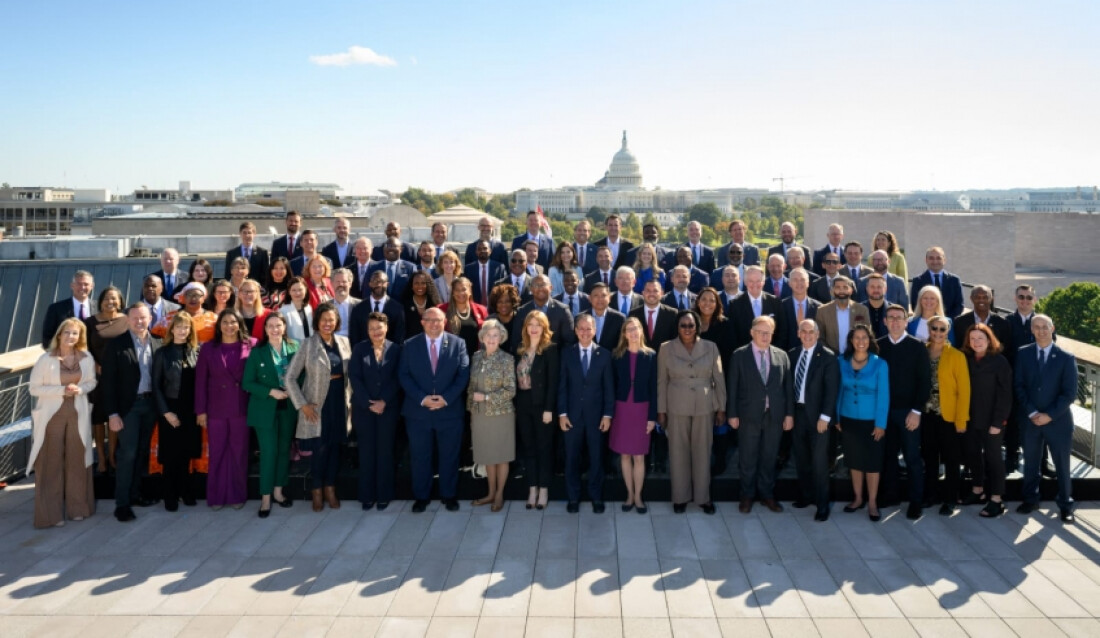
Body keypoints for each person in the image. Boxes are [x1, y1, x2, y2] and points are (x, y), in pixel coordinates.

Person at [399, 307, 471, 513]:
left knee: (450, 455)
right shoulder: (410, 345)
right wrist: (423, 399)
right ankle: (422, 496)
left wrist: (446, 399)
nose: (433, 323)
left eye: (438, 320)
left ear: (444, 322)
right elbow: (404, 375)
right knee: (420, 455)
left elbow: (463, 374)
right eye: (429, 320)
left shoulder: (458, 344)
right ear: (422, 322)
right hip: (418, 412)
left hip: (449, 411)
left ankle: (449, 495)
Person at [28, 319, 97, 528]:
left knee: (78, 460)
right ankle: (51, 514)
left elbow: (91, 382)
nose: (70, 337)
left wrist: (81, 389)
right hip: (52, 415)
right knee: (50, 462)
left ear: (80, 336)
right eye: (67, 332)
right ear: (59, 334)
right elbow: (34, 388)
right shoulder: (45, 359)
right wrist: (61, 391)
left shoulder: (86, 357)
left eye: (75, 333)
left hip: (77, 412)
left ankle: (79, 508)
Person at [659, 309, 726, 514]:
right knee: (678, 451)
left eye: (691, 325)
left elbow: (719, 378)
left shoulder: (711, 347)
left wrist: (721, 407)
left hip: (704, 405)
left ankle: (703, 498)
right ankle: (680, 497)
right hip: (676, 404)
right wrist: (661, 410)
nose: (687, 329)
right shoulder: (666, 348)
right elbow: (662, 381)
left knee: (702, 451)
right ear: (677, 327)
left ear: (697, 327)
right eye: (683, 325)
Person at [286, 303, 352, 511]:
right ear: (317, 322)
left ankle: (330, 488)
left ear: (337, 322)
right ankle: (316, 490)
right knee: (319, 449)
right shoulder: (307, 344)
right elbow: (289, 378)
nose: (328, 323)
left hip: (339, 401)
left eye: (331, 320)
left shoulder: (344, 342)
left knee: (334, 447)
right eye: (324, 319)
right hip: (316, 405)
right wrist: (302, 404)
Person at [727, 316, 793, 514]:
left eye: (769, 332)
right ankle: (746, 496)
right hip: (748, 415)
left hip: (775, 415)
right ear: (752, 332)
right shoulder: (739, 355)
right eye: (761, 332)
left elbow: (788, 388)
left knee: (769, 457)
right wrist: (732, 414)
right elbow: (733, 386)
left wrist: (789, 415)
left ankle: (766, 495)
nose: (765, 336)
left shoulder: (782, 356)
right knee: (747, 457)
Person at [1015, 314, 1078, 523]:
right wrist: (1033, 413)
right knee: (1031, 462)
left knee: (1061, 465)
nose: (1041, 331)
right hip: (1031, 420)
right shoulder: (1023, 354)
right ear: (1032, 330)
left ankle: (1066, 505)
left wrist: (1049, 415)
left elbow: (1069, 393)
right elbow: (1019, 386)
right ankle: (1030, 499)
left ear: (1052, 328)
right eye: (1037, 327)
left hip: (1058, 421)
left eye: (1045, 327)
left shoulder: (1066, 357)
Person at [101, 303, 160, 522]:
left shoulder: (157, 342)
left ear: (150, 318)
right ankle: (122, 504)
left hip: (150, 406)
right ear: (127, 319)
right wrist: (112, 414)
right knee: (128, 454)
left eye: (143, 317)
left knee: (141, 453)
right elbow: (107, 383)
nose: (139, 321)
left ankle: (135, 495)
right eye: (134, 318)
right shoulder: (117, 345)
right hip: (128, 408)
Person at [876, 304, 932, 520]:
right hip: (884, 413)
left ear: (906, 321)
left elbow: (924, 382)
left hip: (909, 412)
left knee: (912, 458)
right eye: (891, 318)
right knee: (888, 456)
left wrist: (916, 411)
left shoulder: (917, 346)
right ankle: (890, 495)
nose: (895, 321)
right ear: (885, 321)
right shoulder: (878, 346)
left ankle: (915, 501)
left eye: (899, 318)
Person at [195, 309, 254, 510]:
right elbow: (200, 381)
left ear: (239, 324)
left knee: (239, 452)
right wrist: (200, 411)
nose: (229, 326)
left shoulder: (251, 344)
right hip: (215, 409)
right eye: (225, 322)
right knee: (218, 452)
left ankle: (238, 495)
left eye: (233, 322)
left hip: (242, 407)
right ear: (219, 326)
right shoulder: (209, 348)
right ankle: (217, 496)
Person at [243, 313, 299, 518]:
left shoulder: (295, 349)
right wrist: (270, 391)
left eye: (279, 325)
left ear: (284, 327)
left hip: (288, 407)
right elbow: (247, 382)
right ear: (265, 330)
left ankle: (279, 492)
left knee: (284, 450)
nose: (275, 329)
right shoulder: (257, 353)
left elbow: (302, 376)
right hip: (265, 408)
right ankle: (265, 498)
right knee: (269, 452)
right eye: (271, 326)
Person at [558, 314, 615, 513]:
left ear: (595, 330)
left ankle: (596, 497)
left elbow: (609, 388)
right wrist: (562, 414)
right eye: (581, 328)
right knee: (572, 458)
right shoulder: (567, 353)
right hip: (571, 417)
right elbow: (562, 386)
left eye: (588, 328)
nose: (584, 332)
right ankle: (573, 497)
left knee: (596, 458)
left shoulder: (605, 355)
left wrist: (607, 415)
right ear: (575, 331)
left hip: (596, 417)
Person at [836, 324, 890, 522]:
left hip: (872, 421)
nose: (860, 341)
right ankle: (858, 498)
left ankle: (873, 502)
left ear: (870, 340)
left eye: (864, 338)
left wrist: (880, 424)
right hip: (848, 418)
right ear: (851, 340)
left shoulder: (880, 364)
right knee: (854, 460)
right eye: (857, 337)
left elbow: (884, 395)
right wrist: (837, 417)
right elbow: (838, 390)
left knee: (872, 463)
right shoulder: (842, 361)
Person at [348, 312, 402, 511]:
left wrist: (384, 401)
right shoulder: (360, 349)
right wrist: (369, 402)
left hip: (388, 409)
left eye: (379, 328)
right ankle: (367, 496)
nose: (376, 332)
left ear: (386, 328)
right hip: (364, 409)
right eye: (372, 328)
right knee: (367, 451)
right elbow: (354, 377)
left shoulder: (396, 349)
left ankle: (384, 495)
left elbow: (398, 377)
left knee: (385, 451)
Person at [787, 320, 839, 521]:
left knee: (819, 463)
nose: (807, 335)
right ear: (799, 333)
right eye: (804, 331)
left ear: (818, 334)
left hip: (818, 417)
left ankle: (822, 505)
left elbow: (831, 389)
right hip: (797, 414)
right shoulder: (792, 354)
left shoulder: (827, 357)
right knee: (802, 459)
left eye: (811, 332)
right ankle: (806, 497)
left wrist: (825, 417)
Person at [152, 312, 202, 511]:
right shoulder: (162, 353)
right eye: (179, 327)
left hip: (191, 409)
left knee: (186, 453)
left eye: (186, 327)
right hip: (171, 408)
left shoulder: (196, 351)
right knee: (171, 455)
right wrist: (166, 413)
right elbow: (156, 386)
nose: (183, 331)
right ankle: (169, 496)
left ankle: (185, 492)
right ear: (172, 329)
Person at [962, 323, 1012, 518]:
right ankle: (977, 491)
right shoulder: (966, 359)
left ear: (989, 340)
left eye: (980, 338)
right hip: (970, 419)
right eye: (972, 339)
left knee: (994, 459)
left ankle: (997, 499)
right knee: (973, 455)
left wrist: (998, 422)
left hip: (993, 420)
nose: (976, 342)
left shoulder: (1000, 362)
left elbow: (1006, 394)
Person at [922, 315, 970, 515]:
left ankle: (950, 499)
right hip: (927, 414)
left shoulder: (957, 356)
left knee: (951, 459)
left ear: (948, 332)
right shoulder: (921, 352)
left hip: (948, 416)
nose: (938, 333)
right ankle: (931, 495)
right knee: (930, 458)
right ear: (929, 329)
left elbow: (964, 390)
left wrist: (961, 420)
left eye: (942, 329)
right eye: (935, 328)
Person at [467, 319, 516, 512]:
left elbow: (511, 390)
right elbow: (471, 387)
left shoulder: (507, 359)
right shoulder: (476, 357)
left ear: (501, 338)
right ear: (482, 337)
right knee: (487, 456)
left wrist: (486, 397)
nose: (492, 338)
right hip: (479, 416)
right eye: (488, 334)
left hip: (501, 414)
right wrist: (472, 409)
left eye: (496, 335)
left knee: (501, 456)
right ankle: (490, 492)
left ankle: (499, 494)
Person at [610, 317, 657, 513]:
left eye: (636, 328)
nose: (633, 332)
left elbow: (655, 388)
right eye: (629, 329)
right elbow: (611, 386)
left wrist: (652, 417)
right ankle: (629, 494)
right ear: (624, 333)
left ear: (641, 331)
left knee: (639, 457)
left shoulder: (651, 355)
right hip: (621, 409)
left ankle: (638, 496)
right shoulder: (616, 355)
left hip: (642, 409)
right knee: (625, 455)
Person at [513, 311, 559, 510]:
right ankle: (532, 488)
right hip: (522, 404)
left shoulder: (550, 349)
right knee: (529, 448)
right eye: (530, 324)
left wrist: (549, 409)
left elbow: (553, 383)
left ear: (544, 327)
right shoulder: (519, 349)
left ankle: (544, 489)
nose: (534, 328)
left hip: (542, 406)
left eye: (538, 324)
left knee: (544, 448)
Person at [85, 285, 128, 474]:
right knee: (98, 419)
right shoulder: (89, 322)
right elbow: (83, 348)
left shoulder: (127, 321)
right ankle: (100, 458)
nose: (110, 302)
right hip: (97, 377)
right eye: (106, 299)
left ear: (120, 302)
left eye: (114, 299)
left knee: (114, 417)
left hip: (119, 378)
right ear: (100, 302)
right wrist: (95, 365)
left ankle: (112, 456)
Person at [511, 274, 575, 351]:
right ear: (531, 289)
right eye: (536, 285)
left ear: (551, 288)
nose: (540, 288)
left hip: (555, 359)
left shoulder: (562, 310)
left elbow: (569, 341)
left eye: (543, 285)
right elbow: (516, 341)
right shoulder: (522, 311)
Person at [728, 266, 783, 350]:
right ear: (745, 282)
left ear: (763, 282)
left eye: (758, 281)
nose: (754, 284)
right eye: (751, 281)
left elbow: (781, 332)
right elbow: (733, 335)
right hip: (745, 356)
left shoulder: (775, 302)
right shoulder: (735, 304)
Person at [815, 276, 870, 356]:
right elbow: (820, 337)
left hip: (856, 356)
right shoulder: (822, 311)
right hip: (832, 358)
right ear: (832, 291)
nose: (841, 290)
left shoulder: (862, 310)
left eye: (845, 287)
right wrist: (830, 354)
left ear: (851, 290)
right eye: (838, 287)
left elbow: (867, 334)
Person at [42, 270, 95, 349]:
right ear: (72, 285)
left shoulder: (100, 308)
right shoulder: (56, 308)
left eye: (86, 284)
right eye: (79, 284)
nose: (82, 287)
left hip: (92, 358)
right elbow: (47, 337)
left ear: (92, 286)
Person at [950, 285, 1012, 349]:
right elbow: (958, 347)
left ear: (991, 299)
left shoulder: (1002, 323)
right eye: (977, 297)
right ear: (971, 298)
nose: (981, 300)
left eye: (985, 297)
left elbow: (1006, 350)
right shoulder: (960, 322)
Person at [910, 246, 964, 319]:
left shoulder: (954, 280)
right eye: (931, 258)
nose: (935, 261)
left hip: (949, 324)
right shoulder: (918, 281)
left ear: (944, 260)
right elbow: (915, 305)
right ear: (926, 260)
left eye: (938, 258)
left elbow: (959, 305)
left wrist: (945, 320)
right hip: (926, 323)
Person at [440, 277, 488, 356]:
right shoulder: (442, 310)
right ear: (453, 292)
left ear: (470, 291)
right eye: (457, 290)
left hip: (476, 359)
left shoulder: (481, 310)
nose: (461, 293)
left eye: (464, 289)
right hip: (451, 358)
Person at [777, 268, 820, 351]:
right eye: (795, 280)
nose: (799, 283)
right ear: (789, 283)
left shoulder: (819, 307)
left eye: (802, 280)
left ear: (808, 283)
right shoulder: (780, 306)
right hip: (787, 355)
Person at [630, 280, 677, 353]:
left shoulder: (672, 314)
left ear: (662, 293)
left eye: (655, 291)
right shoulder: (633, 314)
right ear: (643, 293)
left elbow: (675, 340)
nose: (651, 294)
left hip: (665, 359)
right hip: (641, 358)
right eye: (648, 291)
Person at [402, 269, 442, 340]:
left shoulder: (435, 304)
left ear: (428, 285)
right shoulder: (404, 305)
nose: (420, 286)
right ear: (411, 285)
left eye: (423, 283)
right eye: (416, 283)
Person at [583, 283, 624, 350]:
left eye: (603, 295)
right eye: (596, 296)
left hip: (611, 359)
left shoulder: (619, 319)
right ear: (590, 298)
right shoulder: (580, 318)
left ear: (609, 298)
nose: (600, 299)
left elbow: (622, 345)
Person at [467, 240, 507, 308]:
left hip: (495, 307)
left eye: (485, 248)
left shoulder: (499, 268)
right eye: (479, 249)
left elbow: (504, 288)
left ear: (490, 251)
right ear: (476, 252)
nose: (482, 251)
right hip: (476, 307)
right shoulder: (469, 269)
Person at [488, 283, 521, 353]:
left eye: (507, 301)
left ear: (513, 302)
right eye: (499, 302)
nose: (503, 305)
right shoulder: (489, 321)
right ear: (495, 303)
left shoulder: (521, 319)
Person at [279, 277, 313, 343]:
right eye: (294, 290)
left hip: (310, 346)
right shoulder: (283, 311)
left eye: (300, 290)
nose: (297, 293)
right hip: (294, 349)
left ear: (306, 290)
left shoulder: (308, 307)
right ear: (289, 292)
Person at [860, 274, 890, 339]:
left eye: (879, 287)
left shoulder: (893, 310)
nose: (876, 290)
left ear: (885, 289)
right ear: (867, 289)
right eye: (872, 287)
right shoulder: (858, 309)